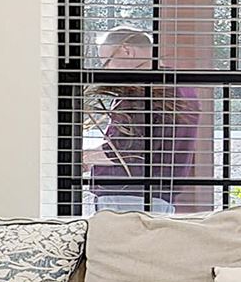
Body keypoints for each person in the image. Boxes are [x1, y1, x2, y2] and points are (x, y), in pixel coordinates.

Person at [83, 28, 204, 212]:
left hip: (127, 201)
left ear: (126, 51)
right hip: (158, 200)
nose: (106, 71)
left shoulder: (144, 90)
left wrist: (80, 158)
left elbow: (126, 150)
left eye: (106, 63)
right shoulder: (181, 88)